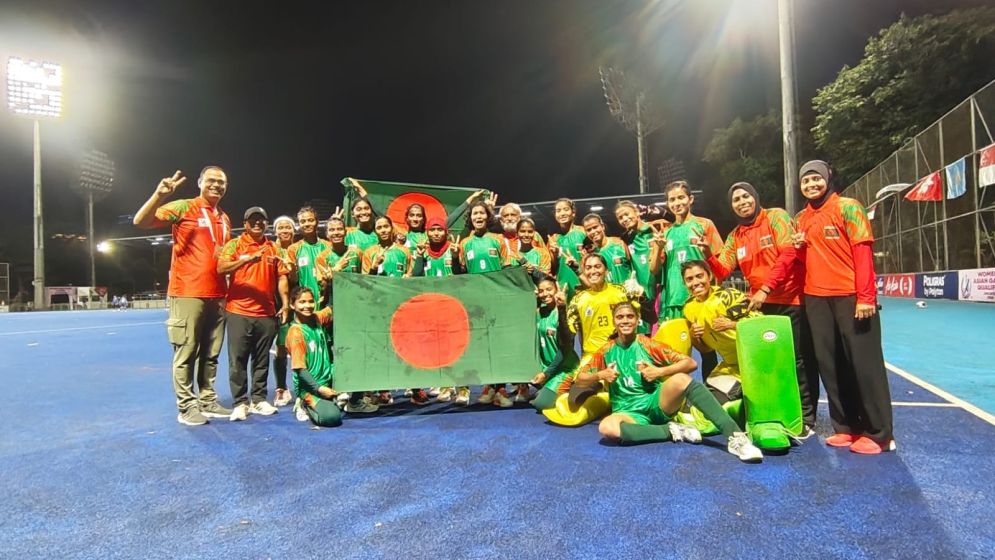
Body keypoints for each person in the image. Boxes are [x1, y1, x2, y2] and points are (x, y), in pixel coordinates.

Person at [697, 182, 818, 435]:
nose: (742, 202)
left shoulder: (776, 217)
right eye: (736, 200)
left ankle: (806, 417)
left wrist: (765, 288)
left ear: (755, 197)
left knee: (797, 360)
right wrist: (708, 253)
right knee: (766, 360)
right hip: (760, 306)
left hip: (790, 300)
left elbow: (788, 254)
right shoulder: (735, 235)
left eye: (746, 196)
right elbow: (722, 270)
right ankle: (773, 410)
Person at [573, 303, 763, 462]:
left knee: (681, 379)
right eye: (620, 317)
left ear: (637, 320)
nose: (625, 321)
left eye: (630, 316)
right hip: (628, 412)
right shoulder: (605, 351)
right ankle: (672, 430)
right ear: (614, 321)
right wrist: (600, 375)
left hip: (656, 403)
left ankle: (735, 437)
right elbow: (579, 379)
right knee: (606, 428)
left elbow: (690, 363)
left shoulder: (648, 344)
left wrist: (659, 371)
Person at [794, 160, 894, 454]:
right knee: (830, 365)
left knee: (864, 365)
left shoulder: (849, 207)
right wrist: (799, 249)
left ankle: (879, 434)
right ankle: (847, 427)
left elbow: (862, 254)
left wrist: (866, 297)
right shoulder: (800, 218)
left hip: (850, 297)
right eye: (806, 181)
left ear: (828, 178)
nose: (811, 184)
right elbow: (806, 261)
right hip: (816, 298)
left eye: (816, 178)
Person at [133, 167, 233, 426]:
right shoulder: (184, 207)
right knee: (186, 351)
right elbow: (140, 221)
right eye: (211, 180)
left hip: (218, 293)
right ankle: (186, 406)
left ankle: (208, 400)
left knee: (211, 353)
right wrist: (159, 195)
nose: (216, 185)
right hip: (188, 291)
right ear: (200, 182)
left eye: (221, 182)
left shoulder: (224, 218)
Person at [218, 207, 290, 421]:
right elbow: (221, 268)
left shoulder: (274, 248)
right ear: (245, 223)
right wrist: (247, 260)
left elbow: (282, 277)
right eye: (253, 220)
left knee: (261, 360)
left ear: (266, 223)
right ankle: (240, 403)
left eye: (261, 220)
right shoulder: (234, 244)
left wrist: (286, 304)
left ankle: (258, 399)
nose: (257, 223)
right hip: (238, 311)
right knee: (237, 360)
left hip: (266, 313)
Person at [410, 217, 470, 405]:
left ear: (446, 232)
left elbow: (461, 276)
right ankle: (445, 385)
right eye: (432, 230)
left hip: (453, 307)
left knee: (458, 348)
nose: (436, 233)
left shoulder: (453, 249)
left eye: (440, 229)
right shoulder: (423, 252)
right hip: (432, 308)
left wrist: (455, 258)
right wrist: (419, 257)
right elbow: (416, 277)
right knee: (440, 349)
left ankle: (463, 388)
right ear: (427, 232)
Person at [460, 201, 515, 407]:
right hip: (476, 303)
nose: (478, 217)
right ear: (470, 218)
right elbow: (462, 273)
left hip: (497, 301)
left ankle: (501, 388)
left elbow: (508, 270)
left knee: (498, 344)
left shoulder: (499, 240)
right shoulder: (465, 243)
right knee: (482, 346)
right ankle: (489, 387)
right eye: (475, 213)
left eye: (482, 213)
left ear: (488, 217)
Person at [680, 260, 756, 401]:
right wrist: (693, 336)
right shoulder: (689, 308)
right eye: (689, 279)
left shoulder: (728, 296)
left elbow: (760, 328)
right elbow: (705, 350)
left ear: (709, 276)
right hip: (730, 366)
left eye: (699, 276)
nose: (695, 283)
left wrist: (733, 324)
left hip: (754, 360)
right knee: (703, 403)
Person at [285, 286, 355, 427]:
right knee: (332, 417)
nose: (307, 306)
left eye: (311, 301)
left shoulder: (316, 318)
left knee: (357, 360)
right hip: (310, 387)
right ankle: (304, 403)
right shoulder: (296, 333)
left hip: (329, 377)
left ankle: (352, 401)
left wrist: (330, 283)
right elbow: (300, 370)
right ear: (292, 305)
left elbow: (332, 307)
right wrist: (319, 389)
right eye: (302, 302)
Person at [566, 253, 641, 361]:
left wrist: (641, 294)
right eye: (588, 268)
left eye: (597, 266)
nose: (593, 271)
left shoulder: (622, 292)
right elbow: (569, 331)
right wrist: (561, 307)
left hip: (622, 354)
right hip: (592, 357)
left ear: (606, 271)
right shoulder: (578, 300)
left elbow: (648, 316)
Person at [614, 200, 665, 331]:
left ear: (636, 212)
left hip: (659, 290)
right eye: (620, 217)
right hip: (641, 294)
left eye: (627, 214)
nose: (625, 219)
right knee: (645, 335)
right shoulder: (627, 239)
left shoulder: (654, 228)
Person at [530, 278, 579, 411]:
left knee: (542, 405)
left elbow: (565, 350)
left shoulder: (565, 315)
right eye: (541, 291)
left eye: (549, 289)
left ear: (557, 290)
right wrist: (534, 300)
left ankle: (572, 388)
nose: (545, 294)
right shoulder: (540, 312)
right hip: (545, 366)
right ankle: (548, 389)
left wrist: (547, 374)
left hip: (564, 368)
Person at [270, 215, 297, 407]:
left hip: (301, 303)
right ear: (275, 231)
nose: (285, 230)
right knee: (281, 346)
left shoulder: (299, 248)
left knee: (303, 345)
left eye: (288, 227)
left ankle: (307, 386)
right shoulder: (271, 249)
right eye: (281, 227)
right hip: (278, 305)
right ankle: (281, 387)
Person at [287, 206, 331, 309]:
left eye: (310, 220)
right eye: (303, 221)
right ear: (299, 224)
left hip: (327, 300)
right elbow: (293, 281)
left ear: (317, 222)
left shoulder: (328, 246)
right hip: (305, 303)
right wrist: (292, 269)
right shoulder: (293, 249)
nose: (307, 224)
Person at [547, 198, 587, 299]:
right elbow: (553, 268)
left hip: (583, 283)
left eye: (566, 209)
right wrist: (554, 254)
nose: (562, 213)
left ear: (573, 212)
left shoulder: (583, 232)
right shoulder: (553, 239)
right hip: (563, 287)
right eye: (558, 211)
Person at [581, 213, 633, 284]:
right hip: (606, 291)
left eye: (595, 227)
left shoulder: (620, 243)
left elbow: (635, 266)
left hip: (627, 290)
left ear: (602, 226)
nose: (593, 231)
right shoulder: (590, 255)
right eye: (589, 230)